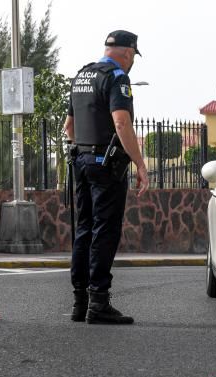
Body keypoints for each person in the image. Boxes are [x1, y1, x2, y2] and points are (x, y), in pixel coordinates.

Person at [63, 30, 150, 325]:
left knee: (83, 228)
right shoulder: (116, 78)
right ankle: (99, 301)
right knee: (105, 230)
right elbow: (121, 122)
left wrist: (85, 152)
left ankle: (80, 302)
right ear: (128, 53)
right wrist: (139, 163)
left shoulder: (82, 76)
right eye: (133, 57)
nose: (132, 63)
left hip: (81, 160)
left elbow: (69, 128)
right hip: (106, 164)